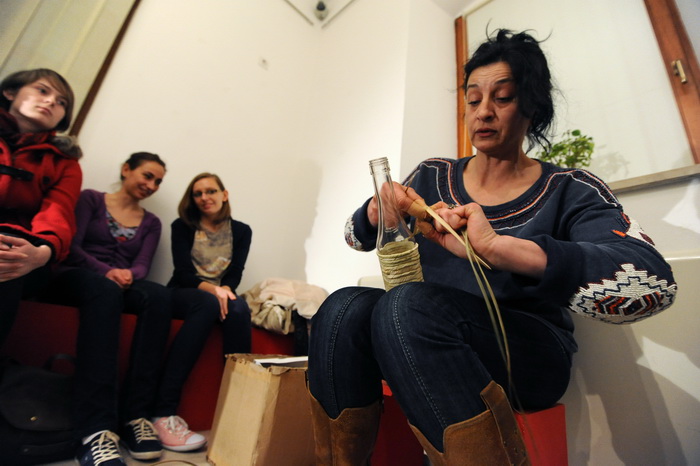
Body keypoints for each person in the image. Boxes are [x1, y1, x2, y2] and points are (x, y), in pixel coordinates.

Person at [307, 29, 677, 465]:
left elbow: (651, 284)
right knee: (343, 308)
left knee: (407, 306)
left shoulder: (569, 188)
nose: (483, 111)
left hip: (527, 356)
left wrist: (498, 248)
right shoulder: (432, 175)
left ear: (532, 106)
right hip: (416, 333)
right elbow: (355, 238)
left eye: (502, 98)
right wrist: (376, 211)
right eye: (473, 99)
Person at [46, 152, 181, 464]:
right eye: (147, 176)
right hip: (78, 276)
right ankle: (95, 430)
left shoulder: (151, 222)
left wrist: (128, 275)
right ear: (126, 169)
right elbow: (72, 247)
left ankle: (136, 417)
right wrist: (107, 272)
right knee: (105, 291)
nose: (152, 185)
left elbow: (143, 265)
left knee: (160, 296)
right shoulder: (91, 200)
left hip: (120, 282)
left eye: (158, 182)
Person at [0, 68, 82, 349]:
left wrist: (41, 253)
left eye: (62, 102)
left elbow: (58, 214)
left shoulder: (64, 163)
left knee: (9, 256)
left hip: (24, 252)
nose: (51, 102)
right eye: (42, 90)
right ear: (10, 92)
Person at [165, 172, 252, 432]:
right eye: (198, 194)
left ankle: (239, 404)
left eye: (211, 191)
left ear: (224, 195)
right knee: (209, 303)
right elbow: (182, 273)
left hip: (221, 291)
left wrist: (224, 289)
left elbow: (235, 272)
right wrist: (214, 291)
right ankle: (166, 405)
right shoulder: (182, 226)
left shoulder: (241, 230)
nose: (204, 197)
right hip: (186, 290)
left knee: (239, 309)